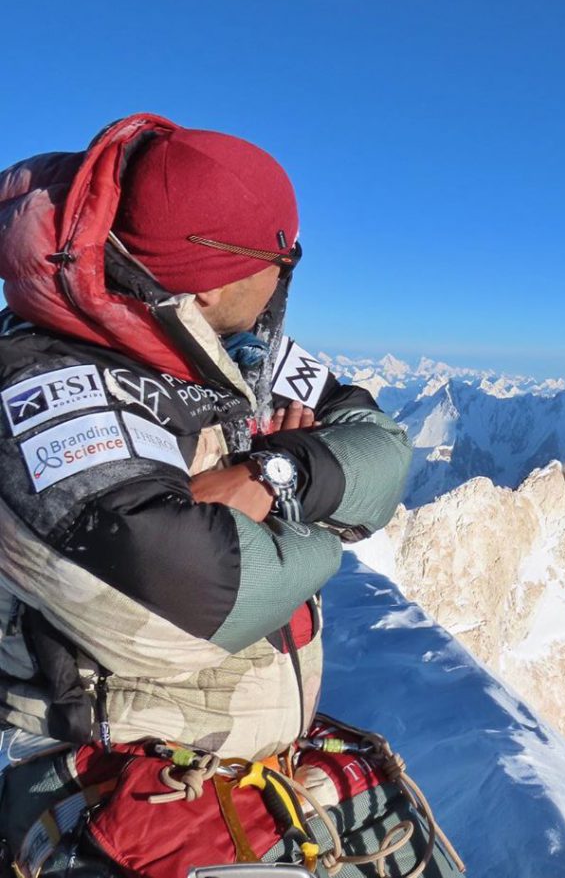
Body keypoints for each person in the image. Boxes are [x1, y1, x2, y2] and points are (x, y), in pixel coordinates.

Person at [0, 114, 414, 863]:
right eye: (282, 257)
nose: (287, 277)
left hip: (225, 783)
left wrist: (271, 474)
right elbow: (196, 597)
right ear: (225, 270)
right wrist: (325, 523)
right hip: (105, 799)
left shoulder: (234, 348)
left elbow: (383, 454)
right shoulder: (48, 384)